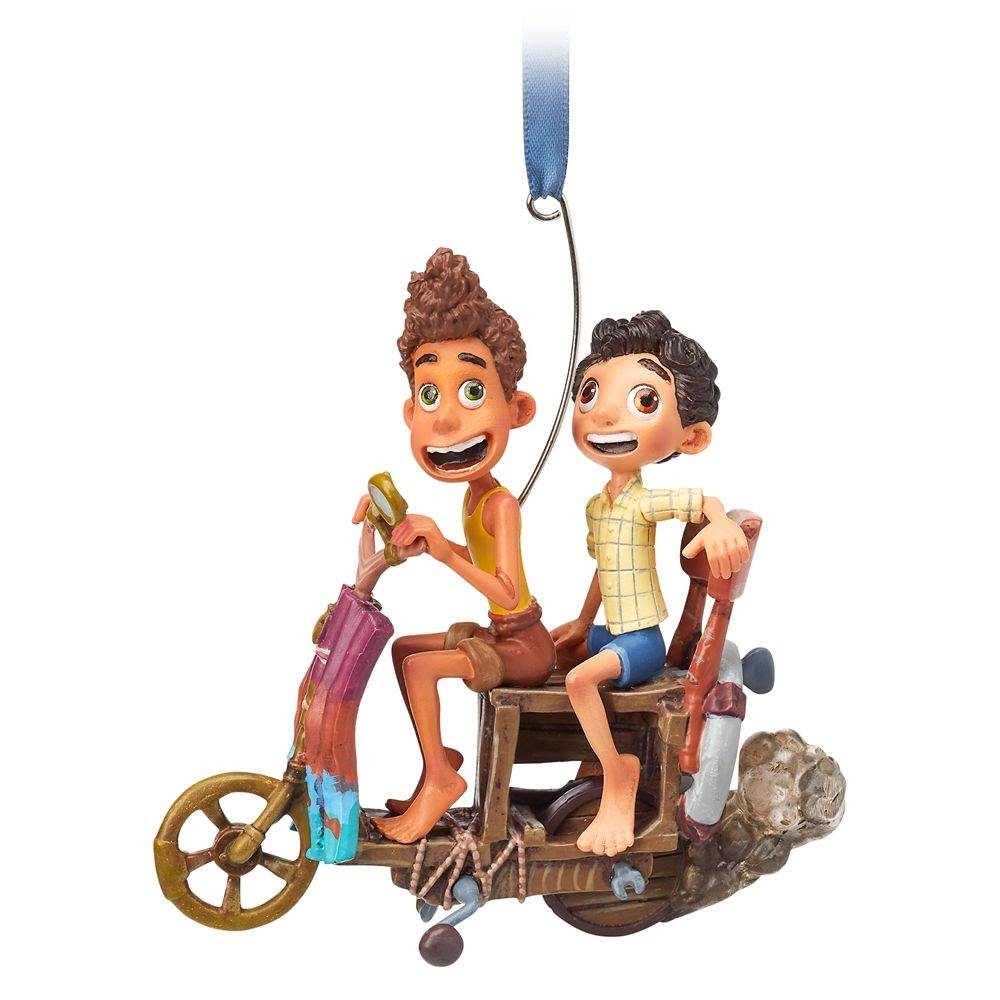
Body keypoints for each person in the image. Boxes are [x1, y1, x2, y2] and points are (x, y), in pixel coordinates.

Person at [354, 248, 555, 844]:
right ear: (410, 410)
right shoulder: (474, 494)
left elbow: (509, 593)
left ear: (517, 410)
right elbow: (480, 564)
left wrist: (444, 551)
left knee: (423, 667)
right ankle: (435, 763)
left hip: (524, 643)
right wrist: (424, 539)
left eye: (471, 392)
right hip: (499, 632)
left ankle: (443, 780)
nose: (444, 421)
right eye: (429, 396)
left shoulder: (501, 504)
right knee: (404, 650)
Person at [551, 310, 750, 858]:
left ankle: (618, 772)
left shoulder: (644, 501)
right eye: (590, 393)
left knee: (579, 681)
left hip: (639, 642)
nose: (604, 412)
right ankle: (590, 758)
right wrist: (580, 623)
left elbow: (703, 501)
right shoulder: (598, 506)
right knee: (546, 649)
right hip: (608, 631)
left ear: (691, 437)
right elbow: (602, 569)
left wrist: (720, 524)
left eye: (642, 400)